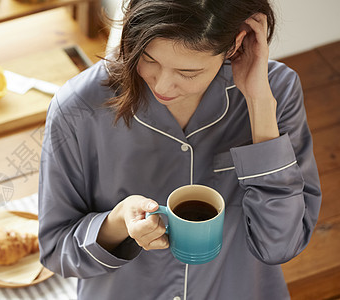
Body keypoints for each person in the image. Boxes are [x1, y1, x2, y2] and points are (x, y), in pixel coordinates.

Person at [37, 0, 322, 299]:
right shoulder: (78, 107)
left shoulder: (276, 90)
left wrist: (259, 106)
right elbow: (57, 249)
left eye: (188, 72)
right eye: (148, 59)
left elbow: (281, 244)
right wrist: (117, 222)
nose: (163, 85)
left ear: (236, 42)